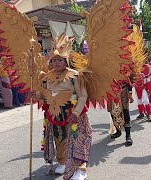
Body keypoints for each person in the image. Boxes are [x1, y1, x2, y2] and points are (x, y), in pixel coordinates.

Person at [38, 35, 91, 180]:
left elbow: (82, 96)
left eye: (59, 60)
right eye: (54, 60)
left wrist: (76, 112)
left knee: (78, 139)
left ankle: (81, 169)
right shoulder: (47, 76)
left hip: (72, 113)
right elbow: (44, 94)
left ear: (66, 61)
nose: (56, 63)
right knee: (59, 139)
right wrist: (35, 94)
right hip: (54, 114)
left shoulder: (75, 76)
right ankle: (62, 162)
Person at [108, 82, 134, 146]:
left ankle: (128, 136)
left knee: (125, 113)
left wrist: (130, 93)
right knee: (113, 113)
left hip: (124, 91)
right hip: (111, 91)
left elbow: (129, 79)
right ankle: (118, 131)